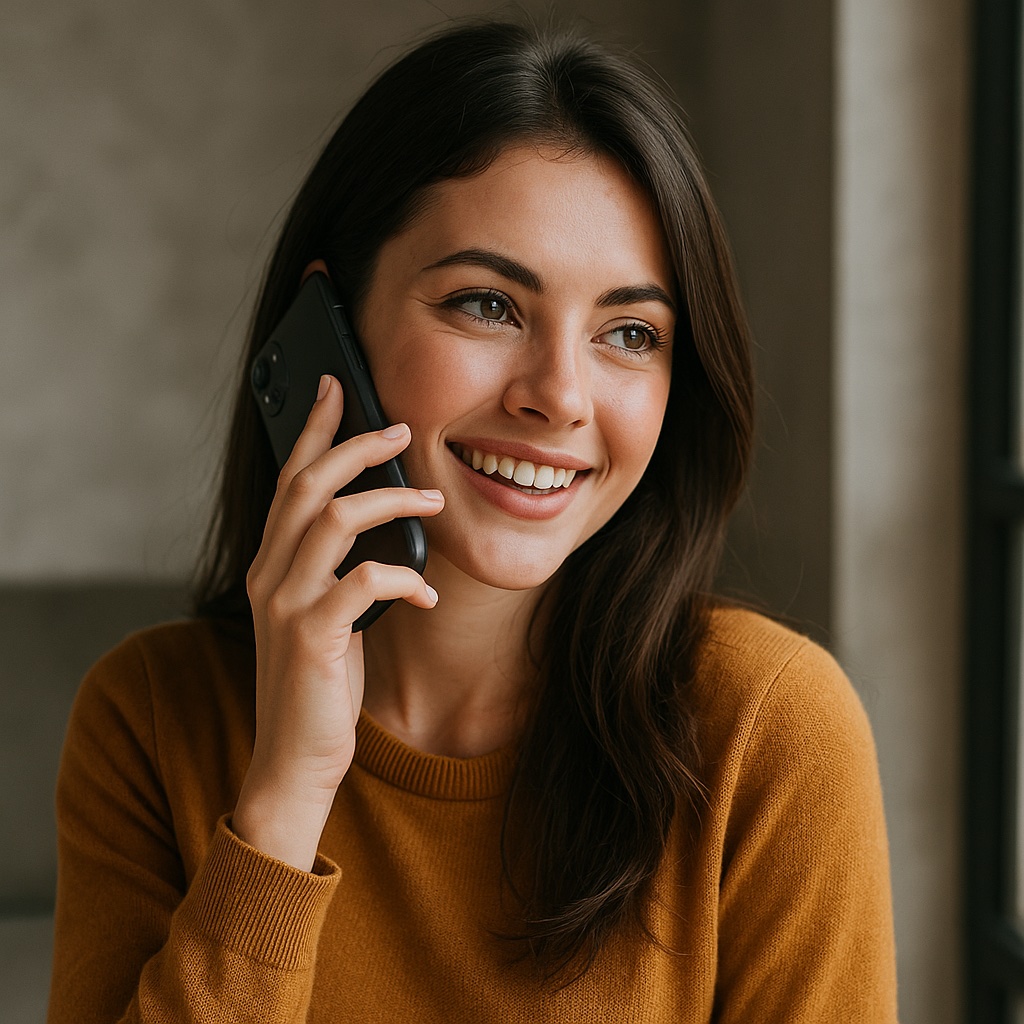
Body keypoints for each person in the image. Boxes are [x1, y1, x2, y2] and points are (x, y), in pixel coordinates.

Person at [47, 18, 898, 1024]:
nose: (560, 397)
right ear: (330, 330)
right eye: (488, 305)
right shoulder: (150, 720)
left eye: (630, 332)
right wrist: (281, 803)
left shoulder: (770, 733)